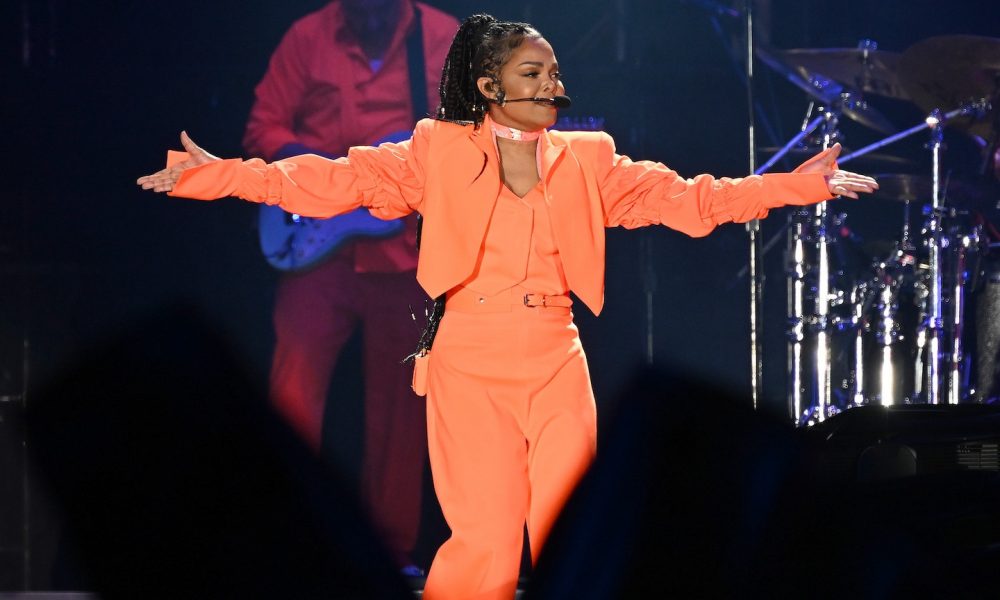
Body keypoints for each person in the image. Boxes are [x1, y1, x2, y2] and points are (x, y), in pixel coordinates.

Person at [138, 13, 878, 599]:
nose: (553, 82)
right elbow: (334, 182)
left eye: (555, 70)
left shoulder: (589, 159)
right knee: (484, 551)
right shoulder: (435, 149)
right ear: (489, 86)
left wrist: (790, 186)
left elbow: (688, 199)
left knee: (575, 538)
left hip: (556, 355)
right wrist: (224, 177)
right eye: (534, 71)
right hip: (469, 358)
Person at [241, 0, 458, 575]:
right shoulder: (307, 37)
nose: (369, 16)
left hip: (406, 255)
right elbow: (262, 127)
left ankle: (387, 554)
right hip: (317, 254)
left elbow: (472, 140)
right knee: (293, 390)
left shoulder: (442, 39)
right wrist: (314, 172)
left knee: (401, 407)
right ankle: (285, 543)